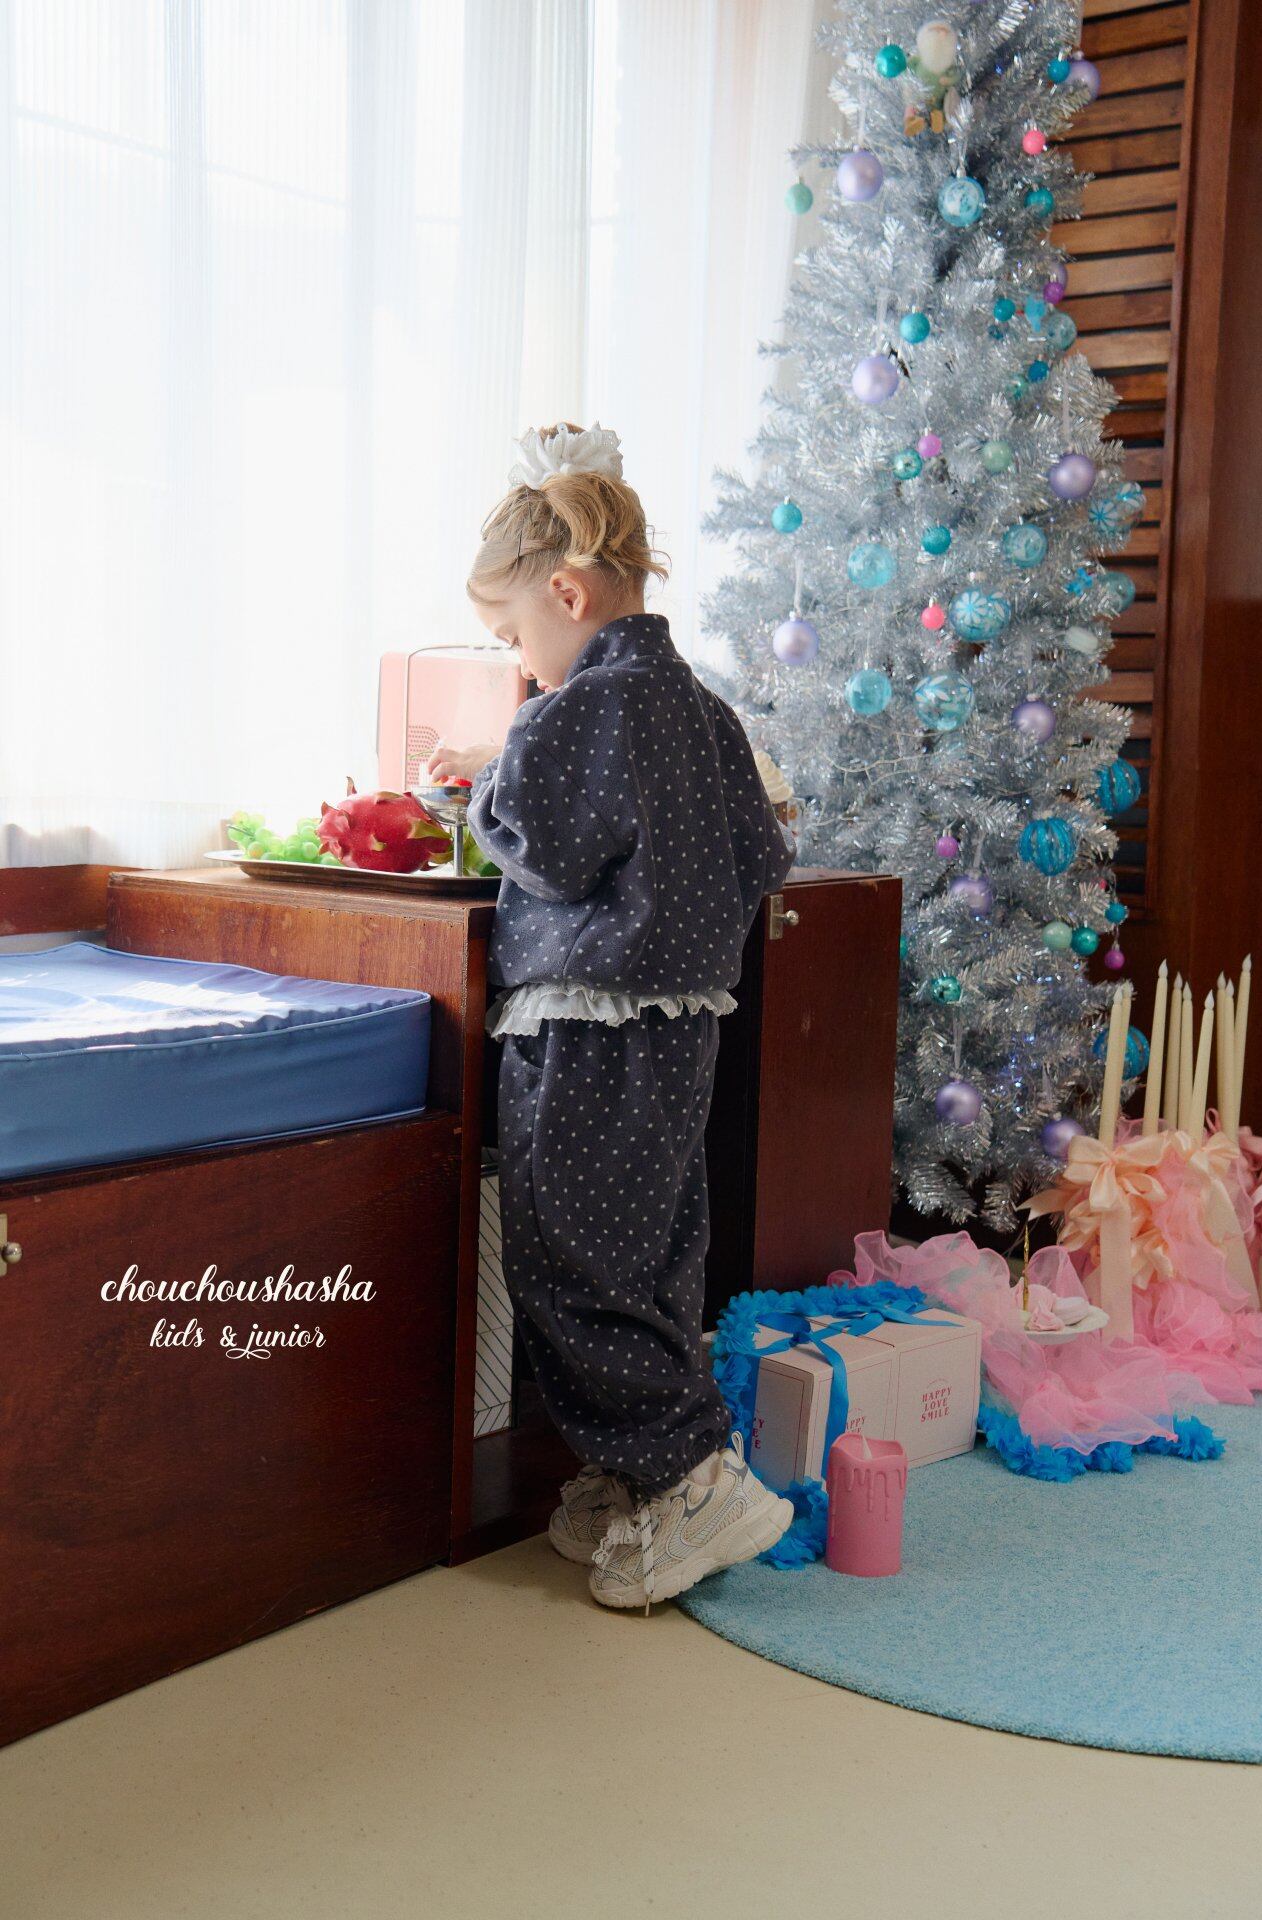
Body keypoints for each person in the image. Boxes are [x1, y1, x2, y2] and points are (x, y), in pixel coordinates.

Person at [425, 420, 796, 1610]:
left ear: (567, 594)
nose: (520, 666)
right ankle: (632, 1473)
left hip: (582, 1028)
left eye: (512, 638)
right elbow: (763, 857)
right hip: (678, 1028)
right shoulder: (706, 711)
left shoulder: (576, 709)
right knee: (647, 1254)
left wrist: (482, 780)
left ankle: (688, 1474)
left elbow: (541, 846)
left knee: (567, 1259)